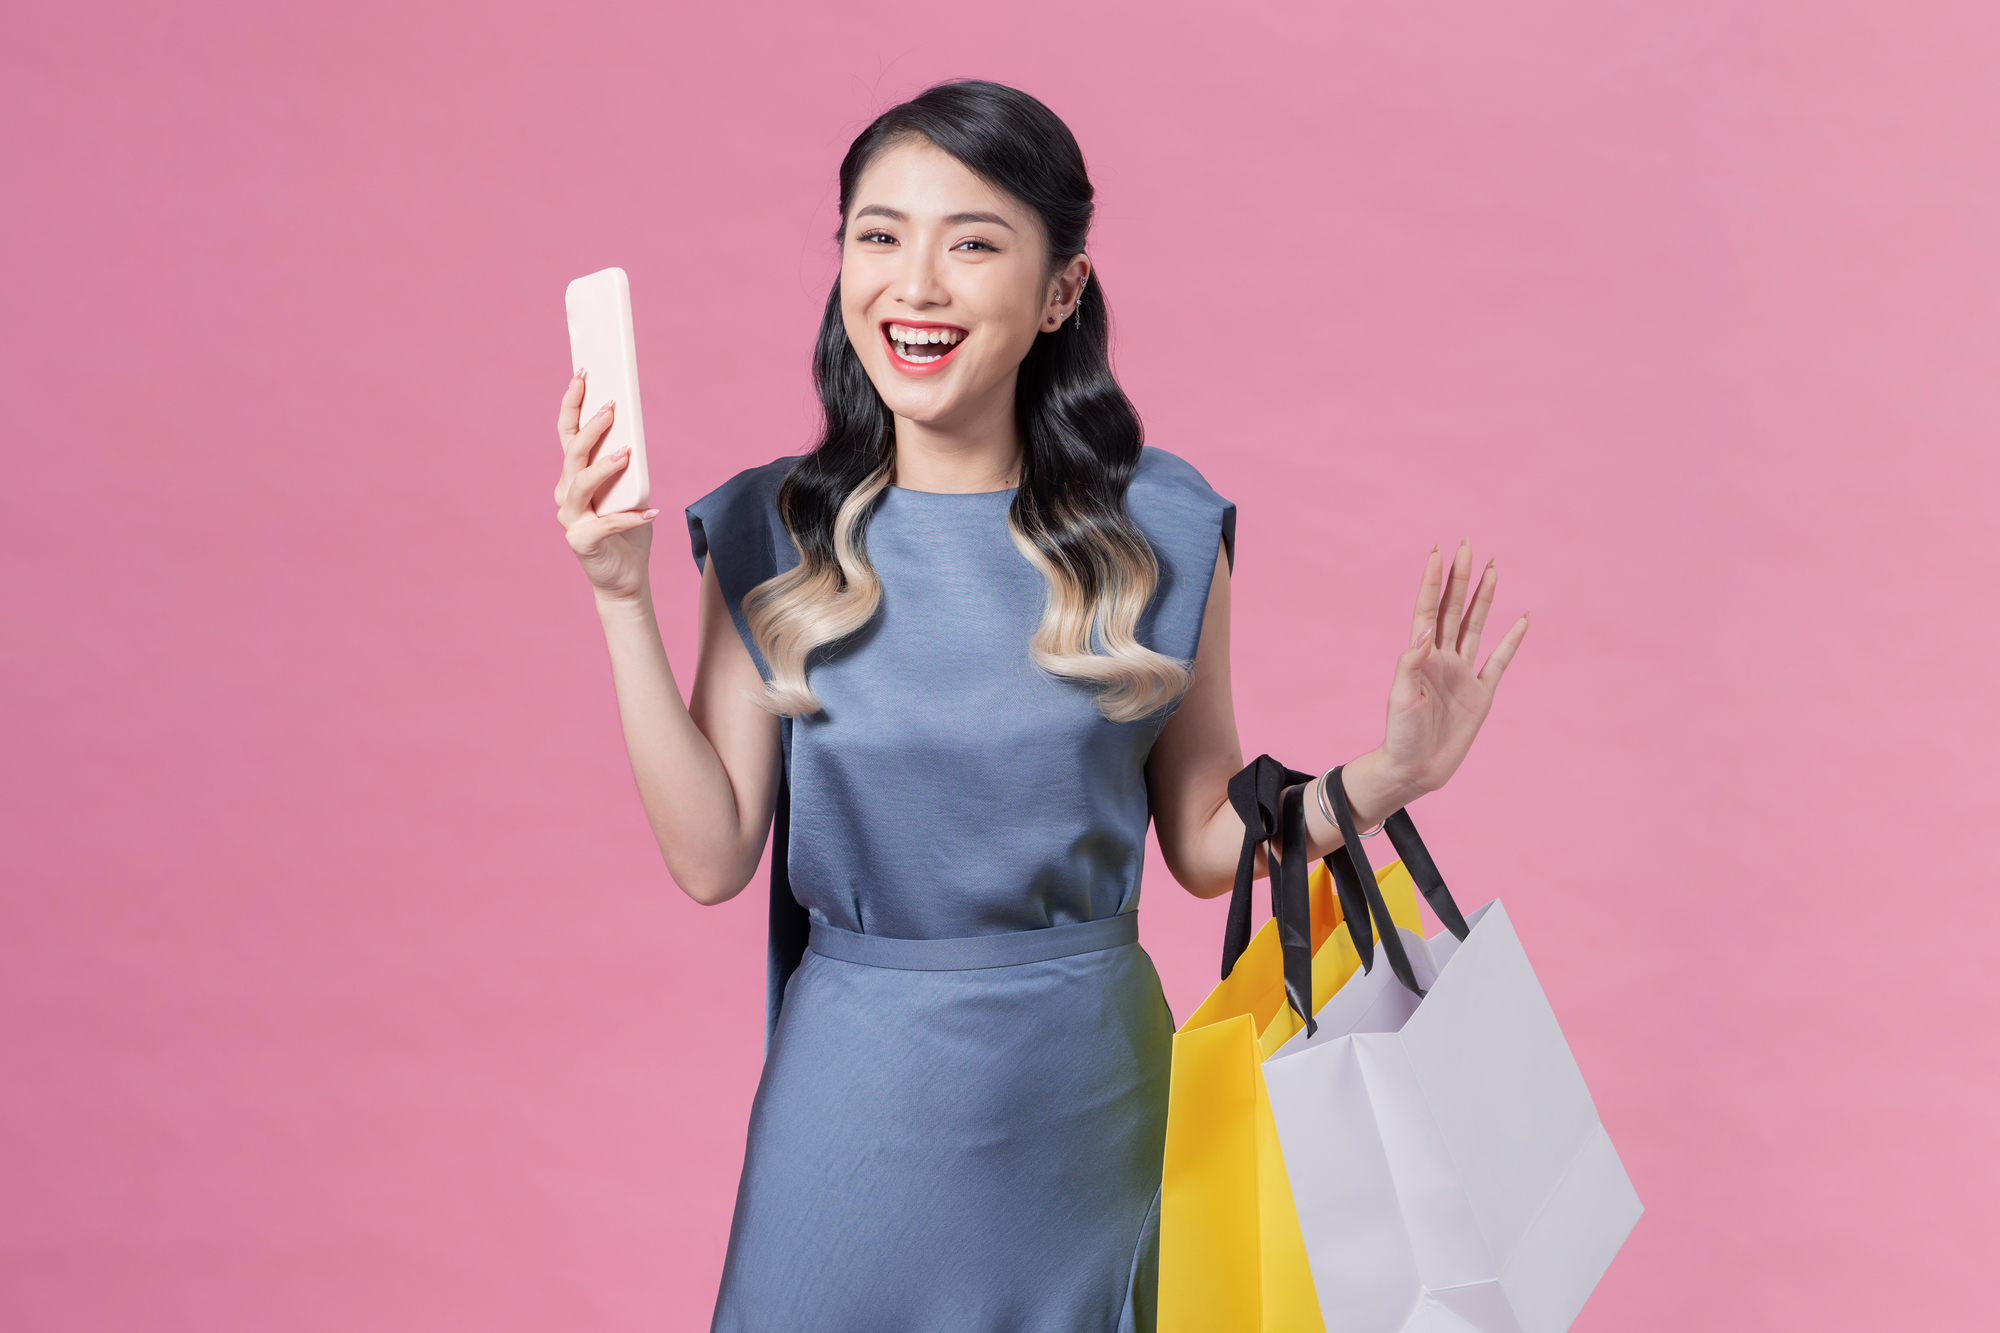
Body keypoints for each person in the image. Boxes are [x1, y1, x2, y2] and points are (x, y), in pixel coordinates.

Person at [550, 80, 1527, 1333]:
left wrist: (1386, 774)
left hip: (1086, 1110)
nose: (913, 283)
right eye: (876, 234)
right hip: (848, 1122)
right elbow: (708, 854)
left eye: (971, 241)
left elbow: (1200, 840)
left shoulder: (1160, 530)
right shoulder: (768, 529)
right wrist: (619, 596)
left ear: (1059, 290)